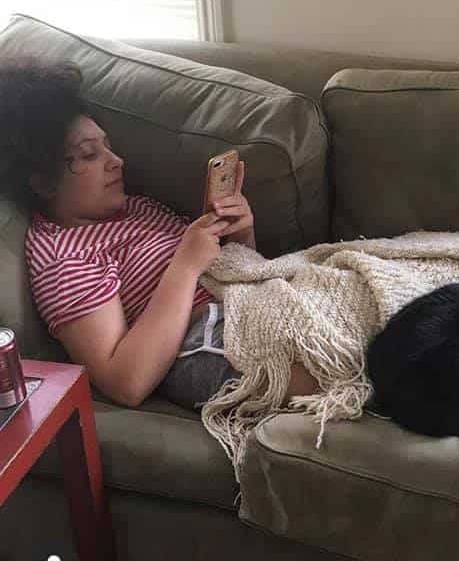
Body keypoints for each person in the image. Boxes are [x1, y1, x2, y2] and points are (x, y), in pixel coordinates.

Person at [0, 56, 319, 410]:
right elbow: (125, 381)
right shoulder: (63, 256)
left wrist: (241, 238)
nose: (115, 161)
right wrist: (185, 265)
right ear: (42, 181)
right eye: (89, 155)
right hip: (199, 345)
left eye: (108, 146)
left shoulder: (138, 207)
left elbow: (228, 276)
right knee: (334, 366)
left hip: (250, 304)